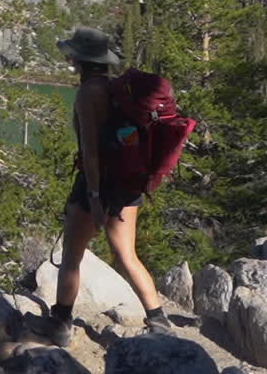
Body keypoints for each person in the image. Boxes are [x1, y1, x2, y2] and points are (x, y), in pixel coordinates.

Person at [40, 26, 171, 344]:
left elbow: (91, 151)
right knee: (127, 255)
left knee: (72, 254)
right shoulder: (116, 90)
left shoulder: (89, 93)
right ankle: (158, 319)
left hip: (97, 185)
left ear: (78, 60)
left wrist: (95, 196)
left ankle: (60, 325)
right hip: (127, 185)